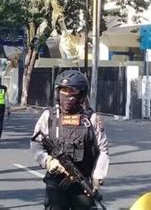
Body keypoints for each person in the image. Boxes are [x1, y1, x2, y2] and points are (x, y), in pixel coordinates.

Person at [31, 70, 110, 210]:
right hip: (56, 181)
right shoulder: (49, 116)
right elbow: (36, 142)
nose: (68, 96)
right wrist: (48, 161)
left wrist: (98, 177)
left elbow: (103, 150)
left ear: (81, 94)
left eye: (72, 91)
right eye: (63, 91)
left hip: (82, 181)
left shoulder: (91, 119)